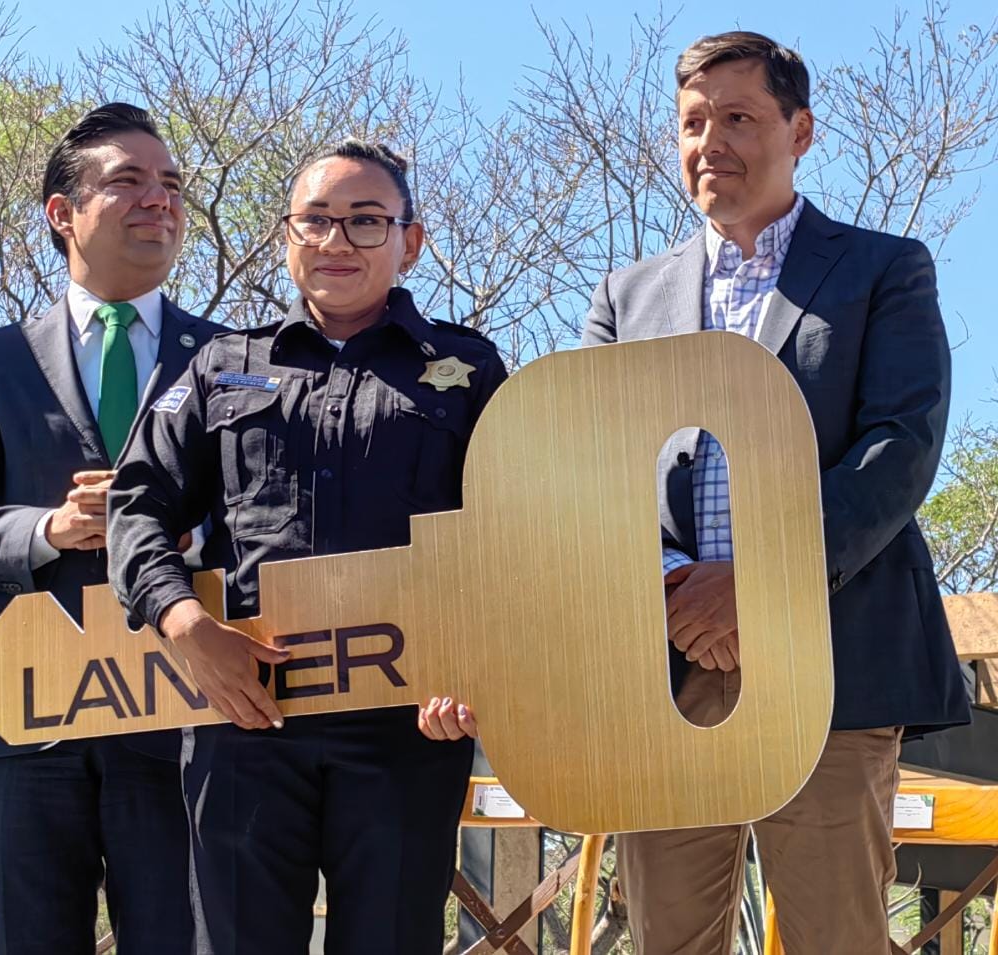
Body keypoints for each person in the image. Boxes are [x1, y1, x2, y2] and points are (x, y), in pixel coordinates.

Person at [582, 31, 971, 953]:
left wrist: (754, 582)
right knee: (669, 938)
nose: (710, 141)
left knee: (838, 935)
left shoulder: (884, 270)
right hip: (668, 669)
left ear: (801, 130)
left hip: (832, 661)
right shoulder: (626, 298)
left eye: (739, 118)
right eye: (691, 123)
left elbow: (899, 447)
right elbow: (587, 466)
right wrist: (679, 584)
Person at [108, 139, 507, 954]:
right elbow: (135, 504)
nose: (337, 242)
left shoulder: (468, 370)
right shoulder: (221, 366)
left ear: (411, 241)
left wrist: (476, 666)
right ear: (286, 236)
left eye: (366, 223)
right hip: (245, 718)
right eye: (316, 221)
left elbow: (516, 539)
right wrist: (182, 621)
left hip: (408, 726)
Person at [0, 103, 219, 954]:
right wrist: (51, 526)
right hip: (30, 714)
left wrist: (176, 539)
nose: (157, 199)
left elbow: (267, 529)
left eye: (170, 184)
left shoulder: (233, 358)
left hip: (182, 710)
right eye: (128, 181)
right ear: (62, 212)